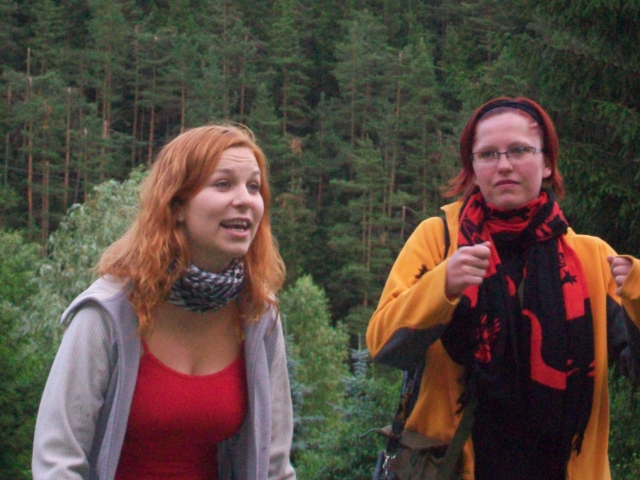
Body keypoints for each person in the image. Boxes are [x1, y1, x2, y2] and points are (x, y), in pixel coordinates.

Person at [366, 97, 640, 479]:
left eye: (519, 150)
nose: (504, 165)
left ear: (547, 163)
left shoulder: (592, 260)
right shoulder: (438, 239)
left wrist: (638, 298)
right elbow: (383, 345)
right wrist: (442, 286)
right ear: (473, 169)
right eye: (488, 154)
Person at [32, 125, 296, 480]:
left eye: (253, 187)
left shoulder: (258, 316)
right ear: (177, 204)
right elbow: (57, 460)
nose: (245, 199)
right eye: (223, 184)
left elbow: (274, 466)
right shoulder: (108, 312)